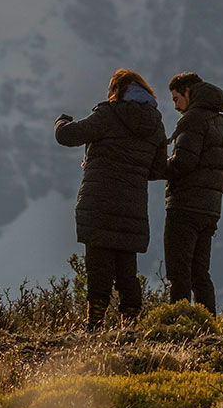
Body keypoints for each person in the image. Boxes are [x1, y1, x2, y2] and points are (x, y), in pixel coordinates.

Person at [55, 68, 168, 331]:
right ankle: (130, 325)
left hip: (99, 203)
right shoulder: (156, 123)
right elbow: (159, 169)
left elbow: (67, 136)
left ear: (116, 90)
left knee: (98, 265)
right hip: (133, 207)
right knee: (126, 268)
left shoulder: (107, 114)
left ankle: (94, 324)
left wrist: (61, 120)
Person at [163, 71, 223, 315]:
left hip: (184, 206)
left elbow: (183, 162)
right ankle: (208, 324)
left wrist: (156, 167)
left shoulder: (192, 119)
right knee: (200, 272)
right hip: (210, 209)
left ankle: (179, 324)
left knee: (179, 271)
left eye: (176, 99)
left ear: (187, 92)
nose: (175, 106)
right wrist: (213, 192)